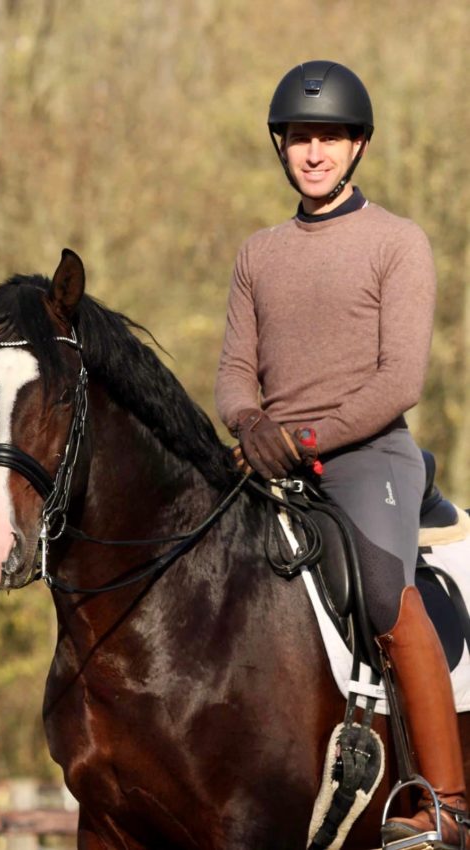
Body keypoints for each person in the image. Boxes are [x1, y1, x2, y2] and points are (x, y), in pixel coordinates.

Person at [214, 60, 468, 848]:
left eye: (327, 136)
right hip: (268, 456)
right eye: (298, 138)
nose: (312, 151)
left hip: (366, 456)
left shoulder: (397, 242)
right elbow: (231, 371)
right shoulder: (259, 253)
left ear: (357, 145)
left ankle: (448, 805)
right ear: (281, 148)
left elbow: (400, 380)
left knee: (388, 595)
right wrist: (249, 422)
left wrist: (308, 438)